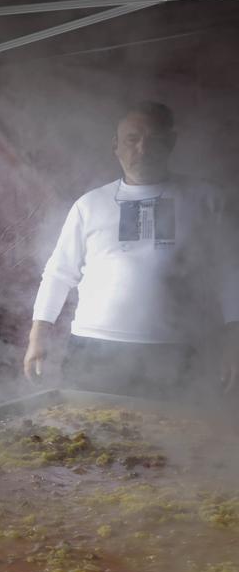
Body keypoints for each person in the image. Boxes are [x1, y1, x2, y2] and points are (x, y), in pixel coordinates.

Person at [24, 101, 239, 398]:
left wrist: (234, 342)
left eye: (155, 140)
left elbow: (231, 274)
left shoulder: (207, 200)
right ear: (116, 145)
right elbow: (59, 273)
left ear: (172, 143)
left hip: (177, 351)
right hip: (94, 349)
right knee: (87, 438)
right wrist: (38, 335)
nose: (143, 150)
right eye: (132, 139)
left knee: (176, 440)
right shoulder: (89, 204)